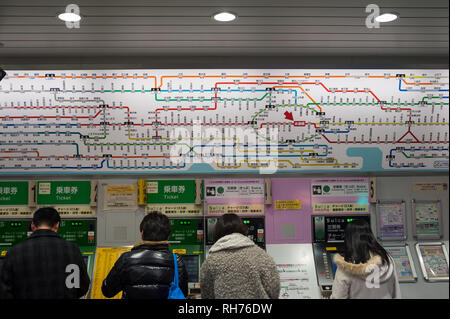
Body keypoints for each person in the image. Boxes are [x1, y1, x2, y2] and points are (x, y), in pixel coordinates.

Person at [0, 207, 90, 299]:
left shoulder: (14, 252)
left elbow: (4, 290)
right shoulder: (72, 250)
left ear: (32, 226)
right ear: (57, 225)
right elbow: (83, 286)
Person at [101, 211, 188, 299]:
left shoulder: (126, 259)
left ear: (142, 233)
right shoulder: (176, 260)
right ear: (168, 236)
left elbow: (107, 291)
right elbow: (183, 293)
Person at [200, 213, 280, 299]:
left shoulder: (210, 262)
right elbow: (274, 289)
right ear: (243, 229)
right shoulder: (262, 256)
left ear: (216, 232)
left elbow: (206, 295)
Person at [331, 219, 401, 299]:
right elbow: (396, 293)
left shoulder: (346, 267)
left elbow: (338, 296)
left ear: (349, 239)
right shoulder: (387, 261)